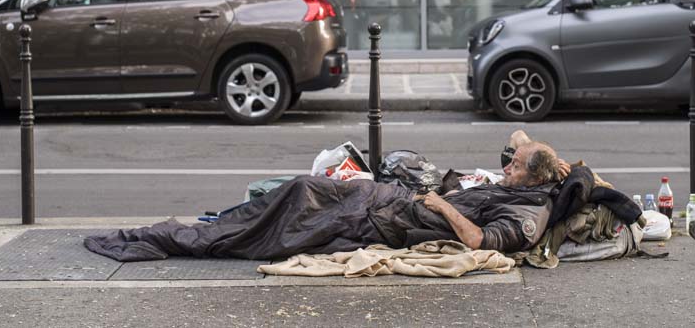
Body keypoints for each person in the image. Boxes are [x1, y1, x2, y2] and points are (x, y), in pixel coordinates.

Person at [84, 132, 571, 263]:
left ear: (533, 179)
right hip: (391, 200)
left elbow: (482, 243)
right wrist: (556, 160)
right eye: (509, 160)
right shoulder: (530, 179)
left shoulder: (525, 212)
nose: (506, 165)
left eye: (514, 164)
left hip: (391, 220)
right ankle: (214, 225)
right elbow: (521, 137)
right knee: (298, 189)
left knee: (294, 207)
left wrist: (441, 204)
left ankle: (193, 236)